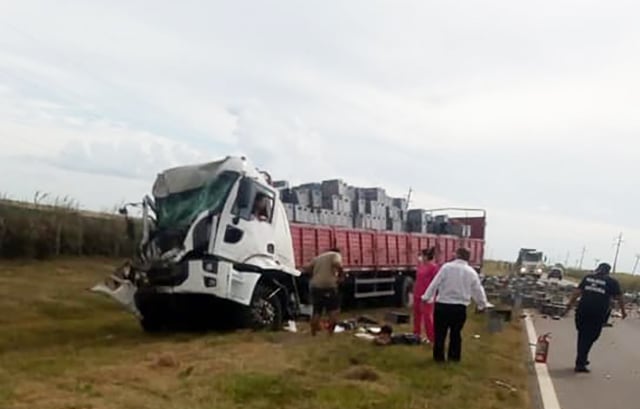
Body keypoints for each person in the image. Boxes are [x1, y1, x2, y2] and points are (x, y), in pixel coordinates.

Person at [422, 247, 488, 363]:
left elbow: (435, 283)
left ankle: (439, 358)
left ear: (457, 255)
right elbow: (477, 290)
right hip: (459, 307)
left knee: (440, 333)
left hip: (443, 305)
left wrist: (426, 297)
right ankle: (454, 357)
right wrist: (482, 304)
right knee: (456, 333)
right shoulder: (471, 272)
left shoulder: (446, 268)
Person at [563, 262, 626, 373]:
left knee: (583, 335)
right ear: (608, 271)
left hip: (582, 311)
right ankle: (581, 362)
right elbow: (619, 297)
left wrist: (568, 307)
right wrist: (623, 311)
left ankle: (582, 359)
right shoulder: (612, 282)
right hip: (598, 314)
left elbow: (577, 293)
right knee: (591, 337)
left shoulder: (588, 278)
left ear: (598, 269)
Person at [303, 248, 344, 336]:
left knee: (317, 310)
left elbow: (307, 269)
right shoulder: (336, 255)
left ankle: (313, 333)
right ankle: (330, 334)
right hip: (329, 285)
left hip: (315, 286)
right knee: (334, 310)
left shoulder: (318, 257)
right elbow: (337, 263)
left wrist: (315, 275)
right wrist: (341, 275)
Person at [413, 247, 439, 343]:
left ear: (427, 256)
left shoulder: (434, 267)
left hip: (427, 295)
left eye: (423, 255)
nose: (421, 257)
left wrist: (432, 295)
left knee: (427, 316)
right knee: (416, 315)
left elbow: (436, 282)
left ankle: (432, 337)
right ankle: (416, 334)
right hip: (417, 293)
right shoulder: (421, 266)